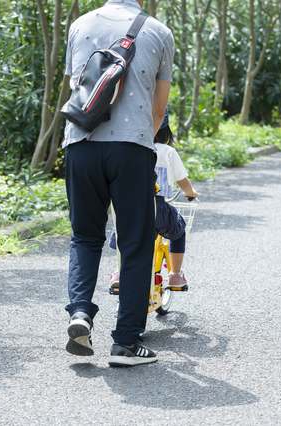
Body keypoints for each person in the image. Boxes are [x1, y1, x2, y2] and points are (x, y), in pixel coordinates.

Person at [62, 0, 175, 367]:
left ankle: (80, 313)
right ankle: (125, 343)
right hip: (131, 149)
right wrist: (141, 139)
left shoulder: (79, 25)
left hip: (80, 144)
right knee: (135, 242)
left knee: (85, 236)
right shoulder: (158, 31)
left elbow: (77, 89)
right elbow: (159, 109)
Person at [108, 109, 198, 289]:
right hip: (159, 210)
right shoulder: (168, 151)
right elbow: (183, 182)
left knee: (122, 233)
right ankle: (175, 275)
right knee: (179, 230)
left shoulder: (130, 149)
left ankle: (120, 271)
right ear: (166, 130)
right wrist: (191, 192)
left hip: (132, 210)